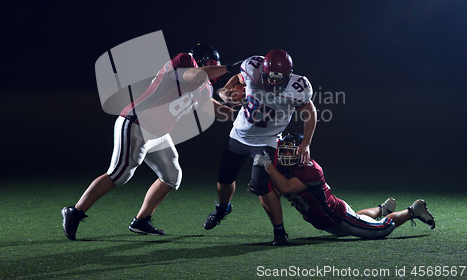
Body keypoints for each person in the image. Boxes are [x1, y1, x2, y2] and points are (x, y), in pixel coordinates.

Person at [62, 44, 241, 240]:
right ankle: (75, 211)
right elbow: (196, 74)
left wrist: (245, 116)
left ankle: (141, 220)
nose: (216, 69)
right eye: (212, 64)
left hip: (158, 133)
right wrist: (232, 67)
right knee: (119, 174)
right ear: (200, 60)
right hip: (136, 123)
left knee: (172, 176)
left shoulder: (205, 88)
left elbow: (214, 108)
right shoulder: (183, 62)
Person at [203, 49, 317, 245]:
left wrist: (306, 143)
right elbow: (235, 80)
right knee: (224, 179)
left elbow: (309, 111)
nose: (273, 83)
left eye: (279, 79)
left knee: (262, 186)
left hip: (267, 141)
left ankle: (280, 232)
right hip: (238, 135)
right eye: (270, 78)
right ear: (262, 71)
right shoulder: (251, 68)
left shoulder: (298, 88)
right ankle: (223, 207)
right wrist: (225, 94)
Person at [253, 133, 436, 239]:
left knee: (382, 230)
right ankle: (383, 208)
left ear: (302, 152)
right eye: (283, 151)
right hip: (327, 221)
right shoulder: (285, 169)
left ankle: (413, 210)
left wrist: (267, 166)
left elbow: (285, 188)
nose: (285, 156)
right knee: (357, 218)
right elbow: (276, 189)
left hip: (337, 217)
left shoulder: (310, 170)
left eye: (290, 152)